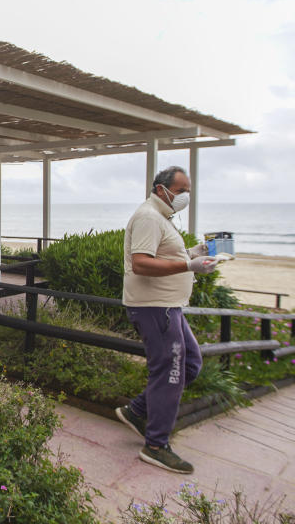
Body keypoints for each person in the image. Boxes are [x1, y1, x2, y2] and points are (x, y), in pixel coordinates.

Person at [115, 166, 216, 474]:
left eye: (188, 191)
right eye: (181, 190)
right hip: (154, 308)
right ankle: (156, 445)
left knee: (190, 364)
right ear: (162, 189)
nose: (185, 196)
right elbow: (142, 263)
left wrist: (194, 252)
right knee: (169, 372)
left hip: (169, 307)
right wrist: (189, 265)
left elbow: (163, 254)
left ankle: (137, 411)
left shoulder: (161, 218)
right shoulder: (148, 217)